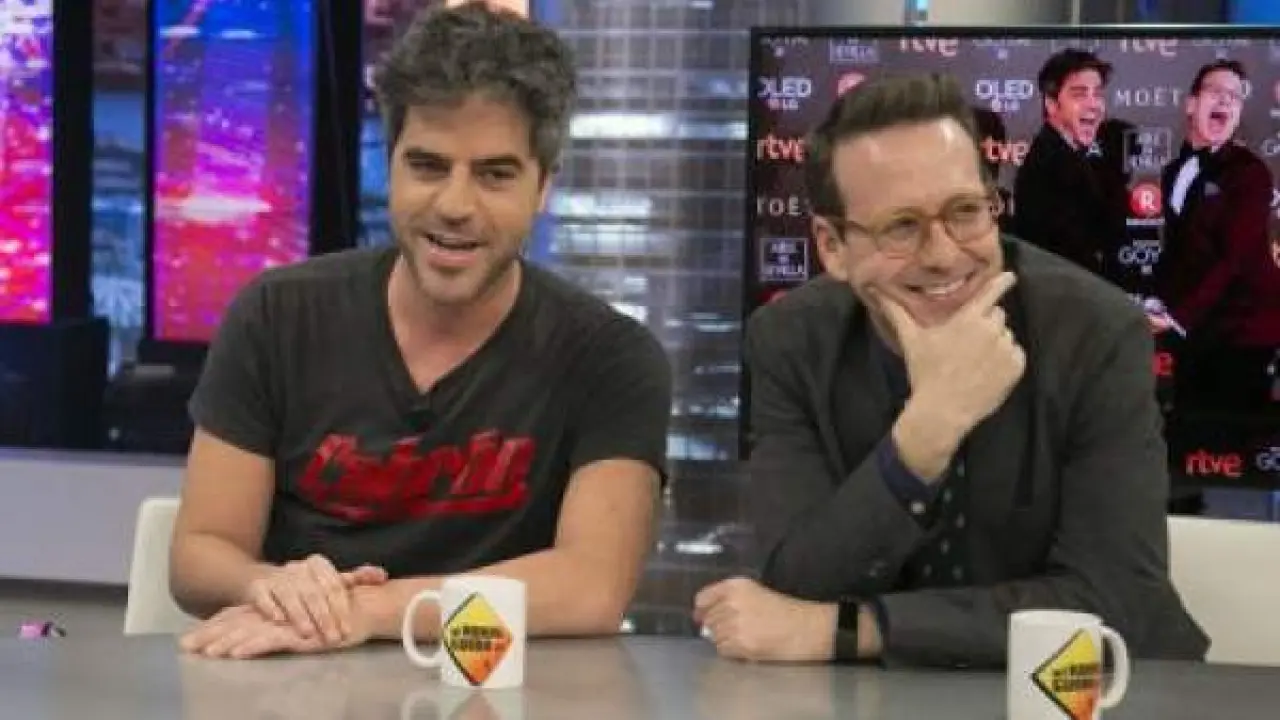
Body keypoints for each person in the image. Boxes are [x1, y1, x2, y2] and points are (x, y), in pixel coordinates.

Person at [171, 2, 672, 660]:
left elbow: (592, 589)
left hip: (507, 691)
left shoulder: (610, 358)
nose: (455, 205)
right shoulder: (277, 316)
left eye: (495, 174)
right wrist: (273, 587)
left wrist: (368, 610)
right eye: (428, 166)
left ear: (544, 187)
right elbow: (199, 555)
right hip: (292, 682)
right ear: (390, 166)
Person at [693, 73, 1208, 668]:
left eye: (965, 212)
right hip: (861, 700)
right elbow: (797, 583)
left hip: (1084, 691)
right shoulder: (789, 341)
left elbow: (1115, 603)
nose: (942, 255)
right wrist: (923, 438)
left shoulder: (1097, 333)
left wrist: (857, 630)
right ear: (832, 246)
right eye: (901, 226)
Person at [1154, 59, 1280, 420]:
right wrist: (1157, 301)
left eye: (1235, 97)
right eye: (1215, 92)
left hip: (1244, 332)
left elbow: (1233, 261)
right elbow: (1180, 250)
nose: (1225, 100)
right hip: (1198, 332)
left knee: (1231, 437)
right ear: (1191, 104)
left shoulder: (1250, 173)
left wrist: (1178, 318)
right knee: (1190, 429)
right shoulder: (1174, 170)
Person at [1014, 48, 1128, 281]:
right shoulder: (1046, 166)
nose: (1093, 104)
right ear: (1051, 104)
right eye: (1079, 94)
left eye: (1097, 94)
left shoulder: (1082, 158)